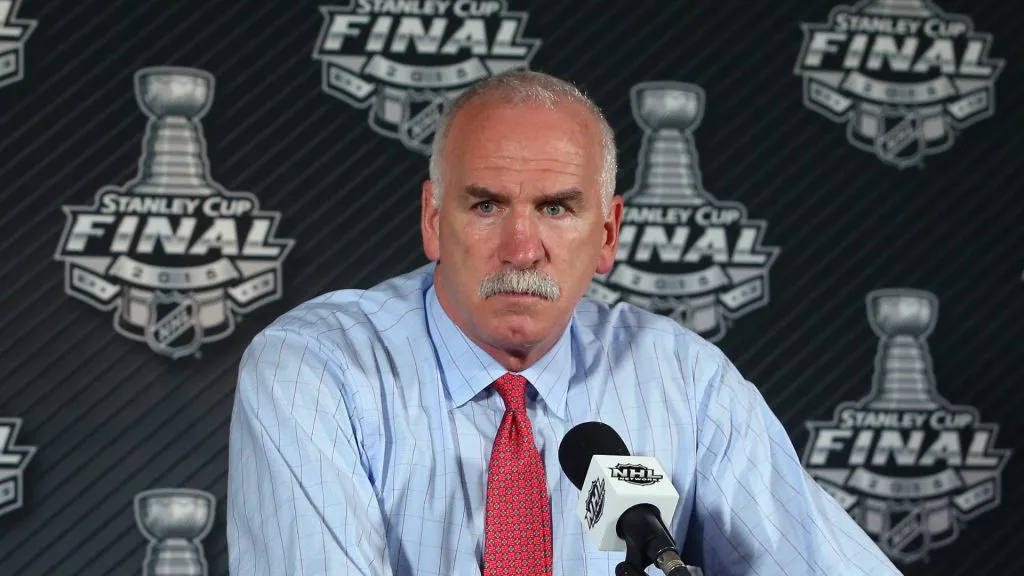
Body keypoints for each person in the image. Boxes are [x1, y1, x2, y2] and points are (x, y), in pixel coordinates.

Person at [226, 69, 904, 576]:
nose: (522, 250)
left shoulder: (684, 379)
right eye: (486, 206)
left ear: (607, 234)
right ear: (434, 220)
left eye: (556, 208)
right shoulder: (316, 369)